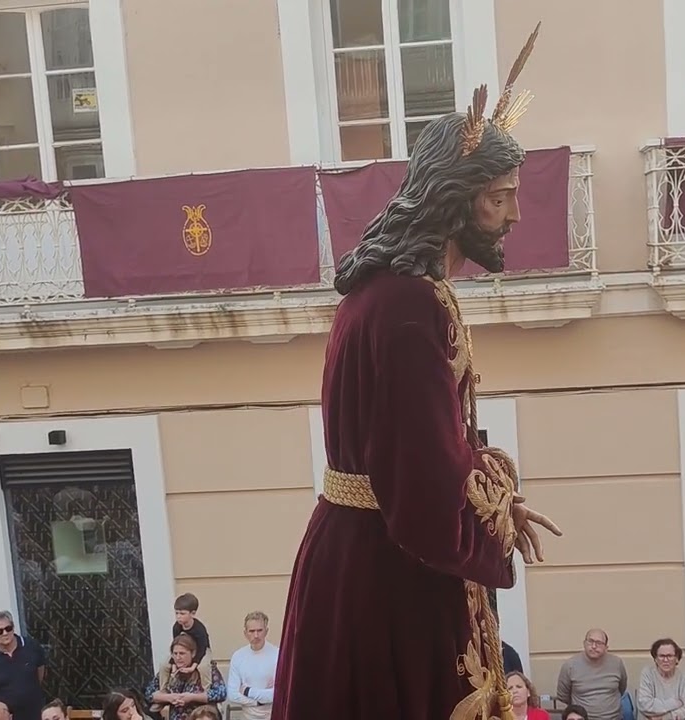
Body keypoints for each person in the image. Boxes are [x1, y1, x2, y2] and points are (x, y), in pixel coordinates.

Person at [270, 21, 562, 720]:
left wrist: (486, 489)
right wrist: (489, 519)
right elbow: (422, 487)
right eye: (500, 197)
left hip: (370, 557)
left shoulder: (389, 293)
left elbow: (431, 449)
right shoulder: (409, 306)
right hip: (392, 576)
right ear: (455, 200)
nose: (515, 214)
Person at [0, 611, 47, 720]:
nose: (5, 633)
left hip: (35, 714)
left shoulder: (32, 647)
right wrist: (0, 708)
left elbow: (40, 674)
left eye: (8, 628)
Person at [144, 634, 227, 720]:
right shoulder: (168, 671)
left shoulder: (205, 670)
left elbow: (221, 693)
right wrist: (168, 697)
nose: (178, 657)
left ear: (193, 653)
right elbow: (148, 694)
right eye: (175, 654)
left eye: (182, 653)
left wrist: (192, 697)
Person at [226, 611, 279, 719]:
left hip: (273, 715)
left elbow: (279, 693)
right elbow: (232, 694)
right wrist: (258, 702)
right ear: (245, 633)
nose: (256, 635)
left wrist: (247, 691)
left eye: (259, 630)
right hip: (248, 716)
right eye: (251, 631)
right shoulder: (238, 656)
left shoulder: (278, 655)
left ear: (266, 631)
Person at [637, 638, 685, 720]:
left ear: (677, 659)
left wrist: (663, 717)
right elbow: (644, 705)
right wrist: (675, 703)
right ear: (655, 658)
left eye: (669, 656)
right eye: (662, 656)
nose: (665, 660)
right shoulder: (648, 674)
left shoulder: (684, 678)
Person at [172, 593, 211, 665]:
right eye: (177, 613)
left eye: (182, 614)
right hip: (184, 652)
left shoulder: (199, 629)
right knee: (164, 666)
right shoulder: (176, 627)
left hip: (202, 651)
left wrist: (194, 665)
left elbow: (202, 649)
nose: (178, 616)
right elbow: (176, 646)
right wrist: (174, 665)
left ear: (192, 613)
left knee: (203, 668)